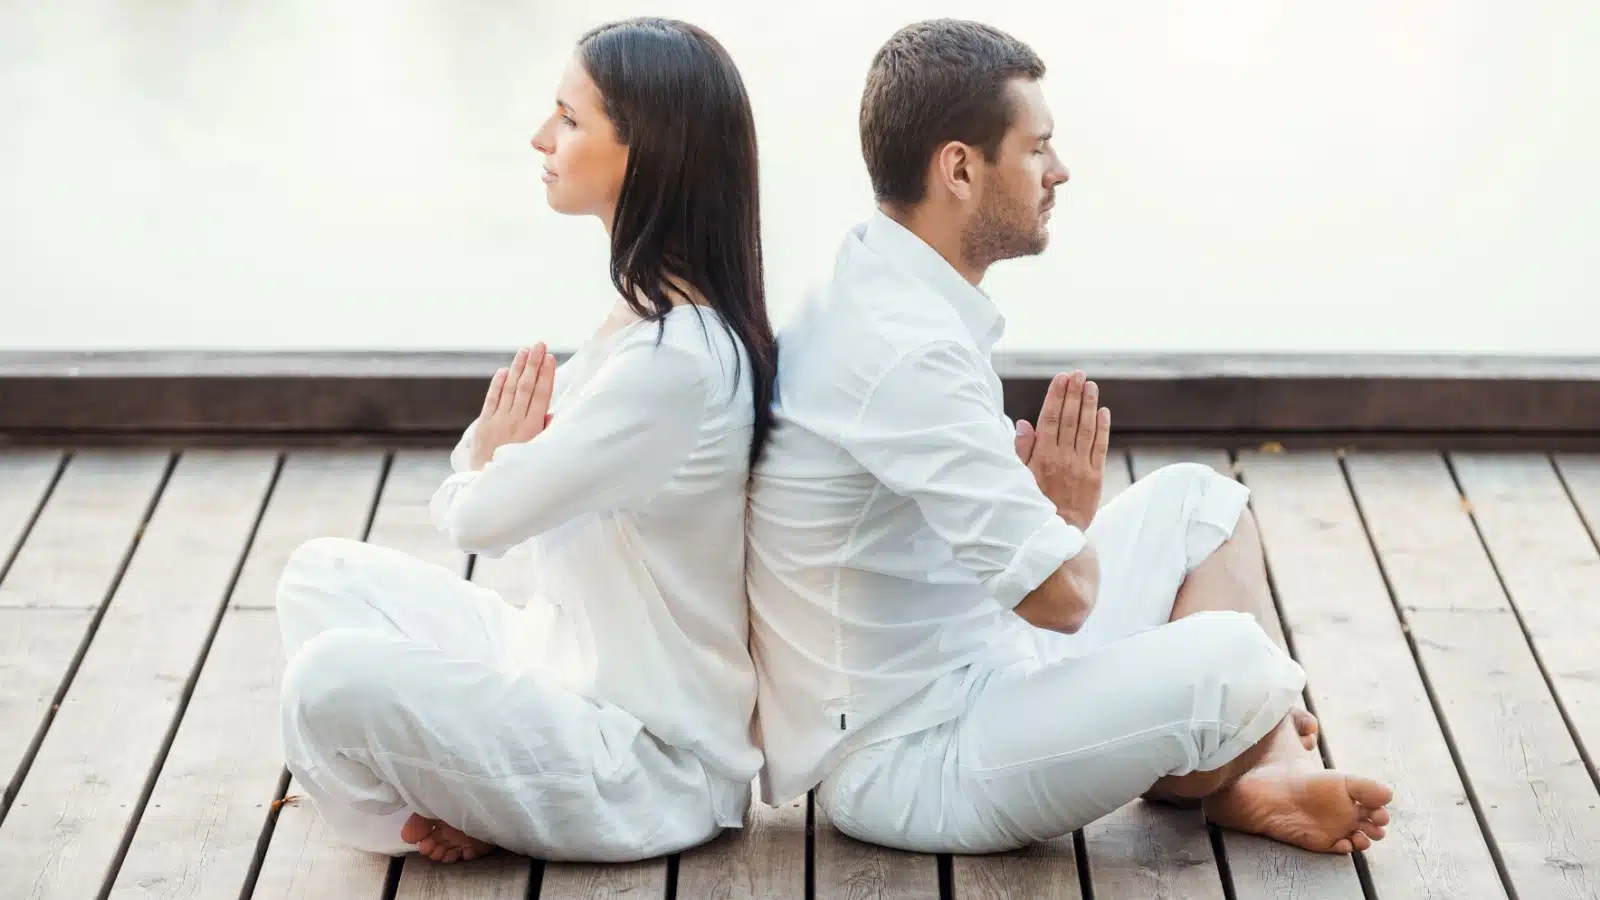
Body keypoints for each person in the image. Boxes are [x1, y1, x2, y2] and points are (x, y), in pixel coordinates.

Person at [746, 18, 1393, 856]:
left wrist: (1045, 521)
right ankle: (1244, 755)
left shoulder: (879, 279)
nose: (1061, 170)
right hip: (910, 756)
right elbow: (1063, 600)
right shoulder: (902, 349)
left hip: (981, 661)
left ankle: (1248, 765)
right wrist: (1063, 515)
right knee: (1234, 659)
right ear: (959, 169)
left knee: (1204, 502)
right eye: (1038, 147)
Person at [275, 18, 776, 864]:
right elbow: (490, 471)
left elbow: (480, 517)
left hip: (641, 761)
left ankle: (409, 823)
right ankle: (453, 800)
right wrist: (494, 463)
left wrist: (492, 463)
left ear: (643, 151)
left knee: (325, 683)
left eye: (570, 119)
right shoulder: (647, 314)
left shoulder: (676, 364)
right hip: (558, 665)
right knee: (317, 576)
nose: (541, 137)